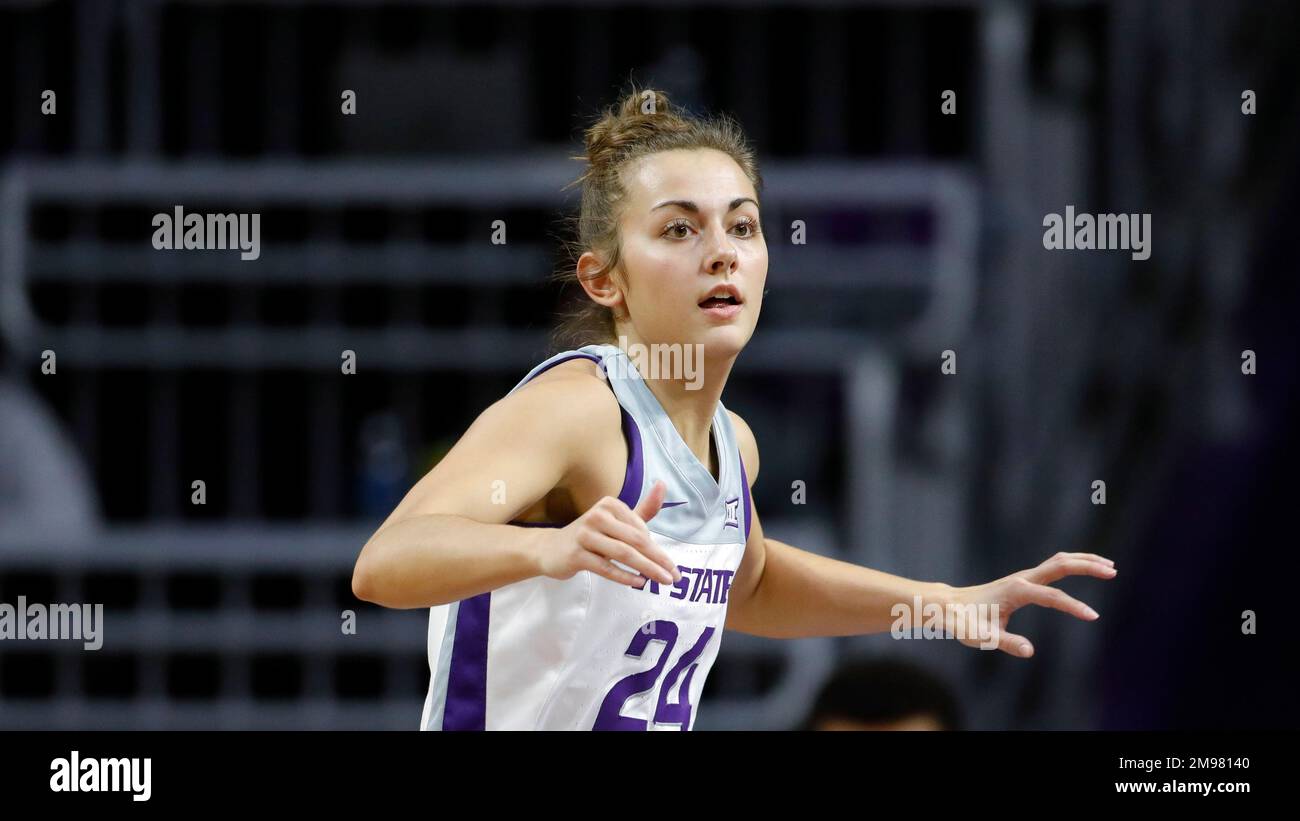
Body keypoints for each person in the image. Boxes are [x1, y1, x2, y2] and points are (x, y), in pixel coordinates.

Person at [350, 85, 1118, 730]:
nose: (720, 250)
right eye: (679, 228)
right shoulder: (574, 410)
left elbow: (749, 586)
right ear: (602, 280)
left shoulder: (731, 441)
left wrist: (939, 602)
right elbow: (384, 564)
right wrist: (543, 551)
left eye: (741, 225)